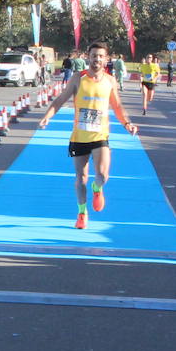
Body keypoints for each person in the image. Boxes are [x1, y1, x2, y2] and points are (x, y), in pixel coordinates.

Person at [37, 41, 138, 230]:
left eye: (101, 56)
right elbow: (60, 100)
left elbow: (117, 106)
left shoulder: (110, 81)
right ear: (88, 57)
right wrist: (47, 117)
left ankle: (97, 188)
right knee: (80, 178)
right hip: (78, 137)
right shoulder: (78, 78)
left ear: (106, 59)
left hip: (100, 135)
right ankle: (82, 212)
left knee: (102, 174)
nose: (97, 59)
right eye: (94, 56)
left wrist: (127, 123)